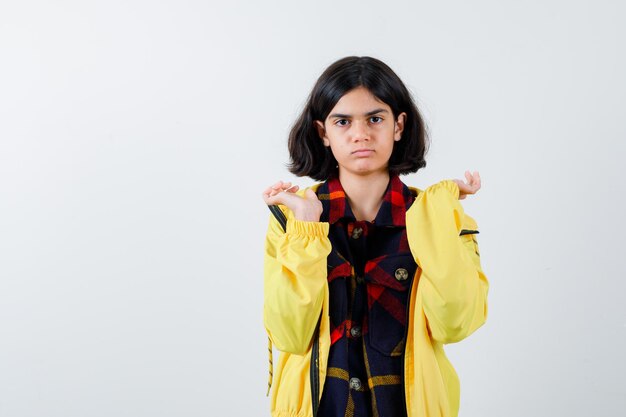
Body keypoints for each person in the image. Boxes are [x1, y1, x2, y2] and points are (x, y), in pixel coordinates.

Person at [261, 56, 489, 417]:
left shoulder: (436, 216)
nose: (360, 133)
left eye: (375, 118)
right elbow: (289, 334)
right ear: (323, 132)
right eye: (343, 121)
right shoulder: (293, 218)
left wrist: (438, 219)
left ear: (398, 125)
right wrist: (307, 230)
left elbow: (455, 323)